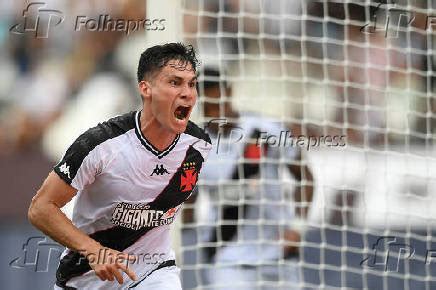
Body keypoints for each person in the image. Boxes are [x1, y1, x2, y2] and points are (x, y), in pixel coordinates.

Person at [28, 43, 212, 290]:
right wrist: (93, 250)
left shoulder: (198, 146)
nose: (188, 93)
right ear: (146, 88)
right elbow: (40, 208)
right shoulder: (100, 145)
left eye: (191, 84)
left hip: (154, 272)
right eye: (175, 83)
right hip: (86, 278)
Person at [183, 67, 314, 290]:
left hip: (278, 252)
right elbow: (188, 202)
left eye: (220, 101)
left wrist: (298, 227)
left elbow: (304, 177)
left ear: (230, 92)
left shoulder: (266, 131)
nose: (218, 111)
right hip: (228, 258)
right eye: (210, 105)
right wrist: (183, 243)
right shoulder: (191, 149)